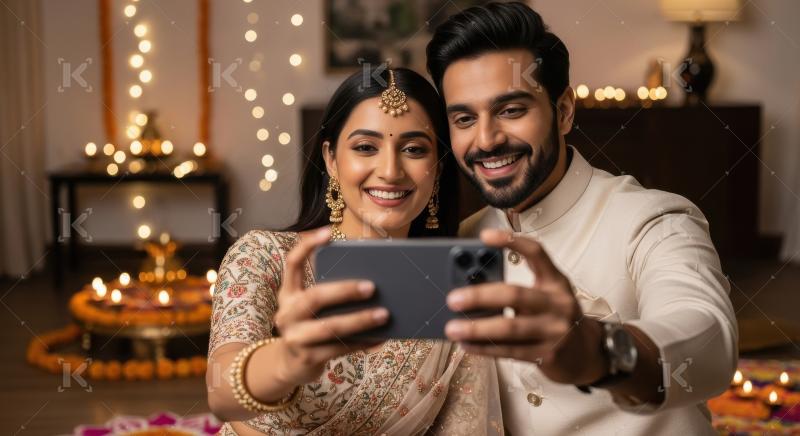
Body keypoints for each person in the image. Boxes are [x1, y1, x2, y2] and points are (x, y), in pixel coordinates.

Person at [426, 2, 738, 434]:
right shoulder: (462, 241)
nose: (486, 139)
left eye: (512, 110)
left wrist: (599, 352)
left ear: (565, 110)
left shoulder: (656, 219)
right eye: (464, 118)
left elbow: (707, 339)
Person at [206, 68, 504, 435]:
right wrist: (288, 361)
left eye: (413, 149)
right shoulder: (265, 256)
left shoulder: (456, 290)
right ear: (331, 158)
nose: (391, 170)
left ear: (438, 166)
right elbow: (221, 393)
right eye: (366, 147)